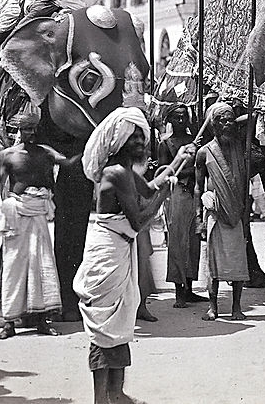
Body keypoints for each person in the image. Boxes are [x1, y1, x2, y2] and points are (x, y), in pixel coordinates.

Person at [74, 102, 190, 404]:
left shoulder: (124, 170)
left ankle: (117, 393)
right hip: (109, 251)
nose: (140, 141)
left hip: (118, 249)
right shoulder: (115, 172)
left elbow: (149, 187)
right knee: (106, 326)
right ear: (118, 141)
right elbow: (140, 218)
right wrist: (167, 191)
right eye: (133, 137)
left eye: (142, 136)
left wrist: (176, 163)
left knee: (119, 322)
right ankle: (102, 398)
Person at [0, 111, 69, 339]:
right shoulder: (8, 155)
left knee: (42, 265)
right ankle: (9, 323)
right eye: (26, 129)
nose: (31, 134)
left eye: (34, 129)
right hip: (17, 214)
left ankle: (42, 321)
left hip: (38, 213)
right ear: (17, 130)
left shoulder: (46, 153)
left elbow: (70, 163)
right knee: (14, 268)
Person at [195, 101, 250, 321]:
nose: (228, 124)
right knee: (213, 263)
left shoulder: (240, 148)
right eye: (222, 120)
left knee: (238, 260)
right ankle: (213, 307)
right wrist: (199, 218)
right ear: (214, 125)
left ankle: (236, 307)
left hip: (235, 212)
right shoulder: (204, 152)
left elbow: (250, 119)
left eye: (230, 120)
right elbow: (199, 185)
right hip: (215, 212)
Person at [156, 104, 205, 308]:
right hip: (177, 194)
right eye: (176, 117)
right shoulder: (165, 144)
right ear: (169, 120)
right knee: (178, 242)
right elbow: (163, 173)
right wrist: (186, 163)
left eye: (184, 116)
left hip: (195, 194)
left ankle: (190, 288)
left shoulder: (195, 141)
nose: (181, 120)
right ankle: (179, 292)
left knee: (194, 242)